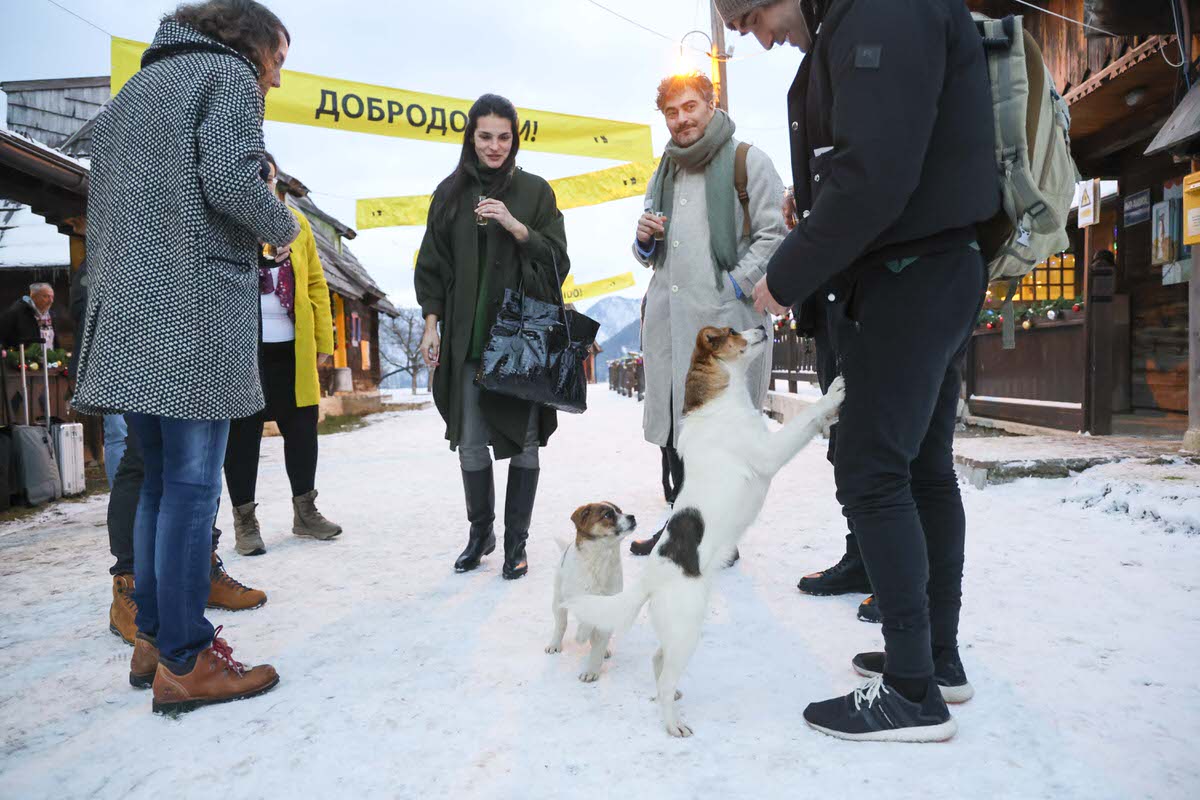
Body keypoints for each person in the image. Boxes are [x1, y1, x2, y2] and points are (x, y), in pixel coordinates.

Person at [720, 0, 999, 741]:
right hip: (934, 265)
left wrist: (784, 275)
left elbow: (876, 176)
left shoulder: (878, 9)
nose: (757, 35)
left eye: (748, 15)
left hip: (909, 277)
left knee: (874, 470)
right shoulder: (864, 17)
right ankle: (936, 660)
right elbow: (888, 151)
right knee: (921, 469)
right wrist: (812, 201)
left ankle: (912, 691)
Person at [72, 0, 299, 713]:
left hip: (128, 313)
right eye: (279, 62)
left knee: (159, 484)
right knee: (193, 489)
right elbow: (231, 183)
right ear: (251, 45)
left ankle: (153, 636)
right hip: (191, 310)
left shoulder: (135, 93)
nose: (276, 81)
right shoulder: (224, 78)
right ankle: (186, 659)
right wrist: (283, 224)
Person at [627, 72, 786, 557]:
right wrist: (643, 239)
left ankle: (717, 534)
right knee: (677, 428)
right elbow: (652, 254)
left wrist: (732, 286)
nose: (681, 120)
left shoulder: (747, 161)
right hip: (670, 322)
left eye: (690, 107)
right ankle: (686, 524)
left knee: (717, 433)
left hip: (722, 321)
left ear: (710, 104)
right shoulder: (665, 170)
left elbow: (774, 235)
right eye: (672, 112)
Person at [69, 257, 267, 648]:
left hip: (181, 308)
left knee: (187, 467)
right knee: (151, 466)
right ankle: (131, 586)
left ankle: (194, 574)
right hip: (143, 316)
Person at [415, 94, 569, 580]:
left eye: (504, 136)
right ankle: (480, 533)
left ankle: (515, 543)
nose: (495, 145)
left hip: (518, 339)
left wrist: (517, 227)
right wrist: (431, 323)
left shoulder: (535, 191)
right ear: (471, 137)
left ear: (514, 138)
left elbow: (557, 261)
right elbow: (432, 264)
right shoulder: (449, 192)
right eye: (486, 136)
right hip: (465, 337)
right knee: (471, 441)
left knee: (523, 442)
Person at [222, 152, 340, 556]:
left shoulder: (296, 224)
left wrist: (325, 342)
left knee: (303, 429)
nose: (264, 186)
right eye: (255, 179)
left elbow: (316, 285)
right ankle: (245, 522)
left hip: (293, 347)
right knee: (242, 436)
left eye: (269, 179)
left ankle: (305, 512)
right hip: (243, 351)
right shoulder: (227, 224)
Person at [785, 184, 878, 622]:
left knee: (879, 453)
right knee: (844, 447)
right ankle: (862, 560)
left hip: (868, 302)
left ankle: (895, 575)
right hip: (830, 312)